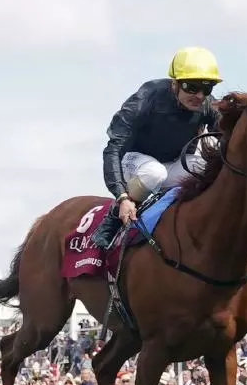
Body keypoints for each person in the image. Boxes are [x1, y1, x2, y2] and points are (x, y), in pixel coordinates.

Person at [91, 47, 222, 249]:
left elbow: (228, 139)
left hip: (174, 161)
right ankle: (112, 219)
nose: (198, 95)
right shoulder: (147, 98)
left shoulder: (207, 106)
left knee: (209, 169)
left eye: (207, 89)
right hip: (135, 161)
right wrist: (122, 196)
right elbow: (113, 149)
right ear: (174, 84)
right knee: (154, 172)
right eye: (191, 87)